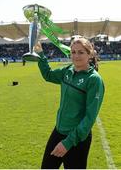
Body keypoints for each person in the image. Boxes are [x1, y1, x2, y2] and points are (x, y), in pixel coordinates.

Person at [34, 36, 105, 169]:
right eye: (73, 52)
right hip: (58, 131)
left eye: (81, 52)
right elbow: (48, 75)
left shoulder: (94, 80)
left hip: (77, 139)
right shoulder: (68, 71)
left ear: (89, 54)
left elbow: (89, 118)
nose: (76, 56)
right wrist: (40, 53)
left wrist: (68, 143)